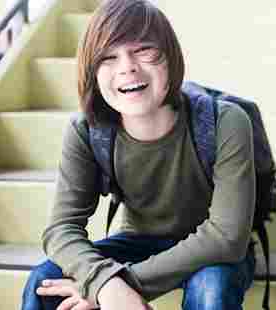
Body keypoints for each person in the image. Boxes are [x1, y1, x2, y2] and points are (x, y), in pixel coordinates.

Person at [20, 0, 256, 309]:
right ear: (92, 70)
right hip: (138, 242)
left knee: (211, 287)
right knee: (44, 282)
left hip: (212, 250)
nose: (127, 67)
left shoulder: (225, 121)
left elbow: (226, 237)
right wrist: (104, 281)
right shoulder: (88, 130)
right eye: (108, 57)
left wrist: (120, 285)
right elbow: (61, 230)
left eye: (143, 50)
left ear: (170, 57)